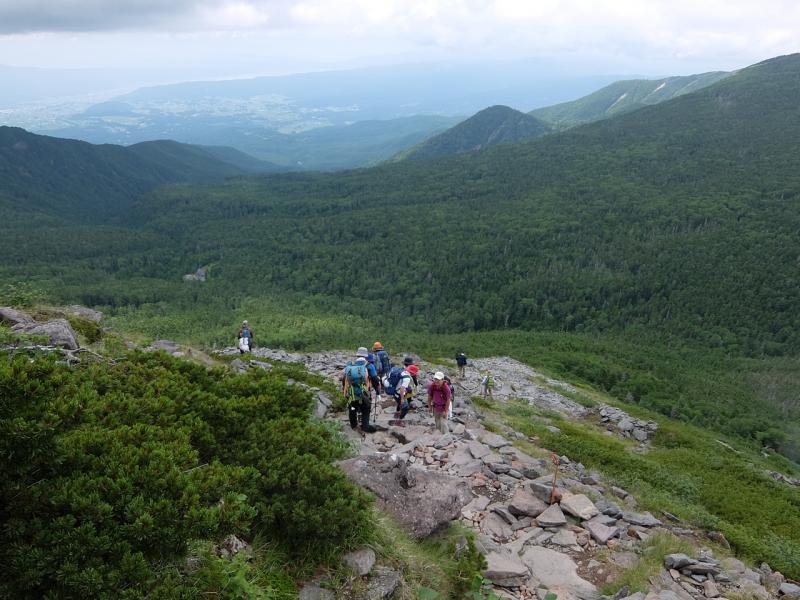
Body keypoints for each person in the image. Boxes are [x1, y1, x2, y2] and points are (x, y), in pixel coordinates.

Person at [343, 347, 375, 432]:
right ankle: (365, 426)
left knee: (352, 408)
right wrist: (371, 392)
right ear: (365, 356)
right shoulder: (367, 366)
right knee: (366, 409)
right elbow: (370, 380)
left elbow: (345, 381)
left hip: (352, 393)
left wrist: (345, 393)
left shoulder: (350, 366)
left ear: (357, 355)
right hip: (363, 393)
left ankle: (353, 426)